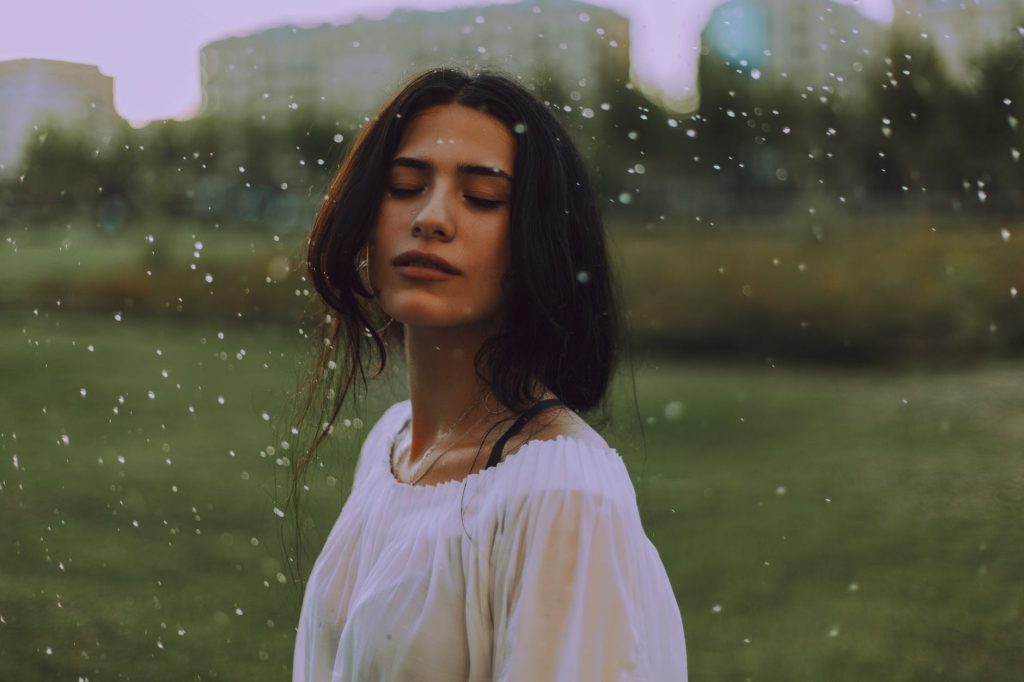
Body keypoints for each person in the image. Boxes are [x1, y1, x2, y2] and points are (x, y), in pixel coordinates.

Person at [291, 67, 687, 681]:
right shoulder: (390, 447)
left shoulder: (560, 494)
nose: (431, 217)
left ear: (539, 239)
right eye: (403, 185)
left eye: (482, 197)